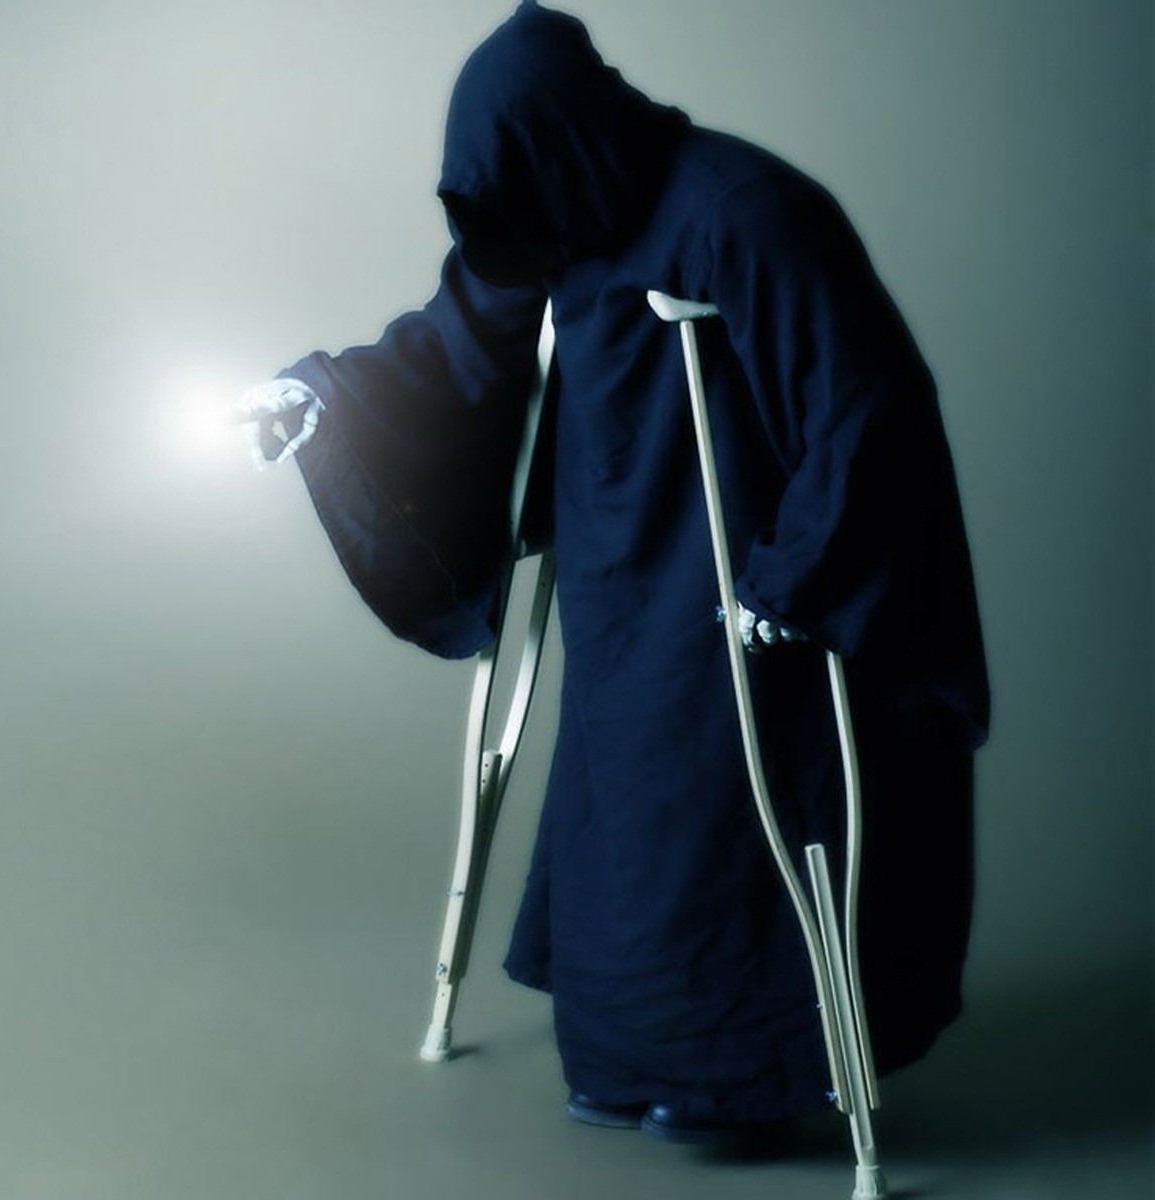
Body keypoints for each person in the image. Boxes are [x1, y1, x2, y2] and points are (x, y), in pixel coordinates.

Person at [241, 1, 989, 1142]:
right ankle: (627, 1056)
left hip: (739, 571)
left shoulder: (745, 209)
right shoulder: (551, 209)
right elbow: (452, 343)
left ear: (570, 137)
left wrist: (796, 576)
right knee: (626, 807)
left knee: (721, 801)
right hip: (618, 563)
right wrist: (319, 397)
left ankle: (742, 1082)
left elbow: (864, 402)